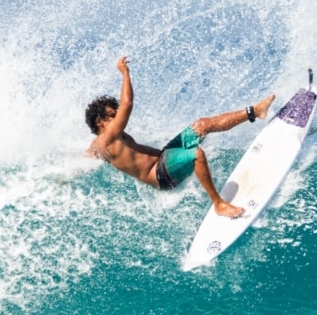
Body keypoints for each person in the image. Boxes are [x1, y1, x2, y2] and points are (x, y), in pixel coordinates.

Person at [86, 56, 276, 218]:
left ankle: (255, 111)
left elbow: (87, 157)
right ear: (100, 122)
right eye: (112, 115)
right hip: (161, 175)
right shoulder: (109, 136)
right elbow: (127, 104)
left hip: (164, 158)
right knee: (196, 154)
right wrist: (125, 72)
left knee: (202, 124)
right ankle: (219, 204)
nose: (117, 117)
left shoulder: (98, 144)